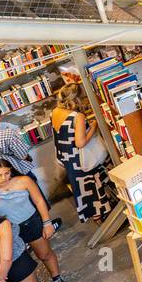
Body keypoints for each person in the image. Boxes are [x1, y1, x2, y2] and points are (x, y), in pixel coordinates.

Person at [0, 159, 66, 282]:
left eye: (7, 173)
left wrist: (47, 223)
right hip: (9, 231)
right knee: (24, 262)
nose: (4, 178)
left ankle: (57, 278)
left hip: (31, 223)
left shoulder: (24, 180)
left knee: (44, 254)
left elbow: (39, 201)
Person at [51, 83, 114, 225]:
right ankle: (100, 216)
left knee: (82, 188)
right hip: (80, 158)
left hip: (67, 157)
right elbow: (80, 142)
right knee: (93, 185)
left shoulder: (55, 111)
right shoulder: (77, 116)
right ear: (77, 98)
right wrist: (93, 127)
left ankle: (97, 214)